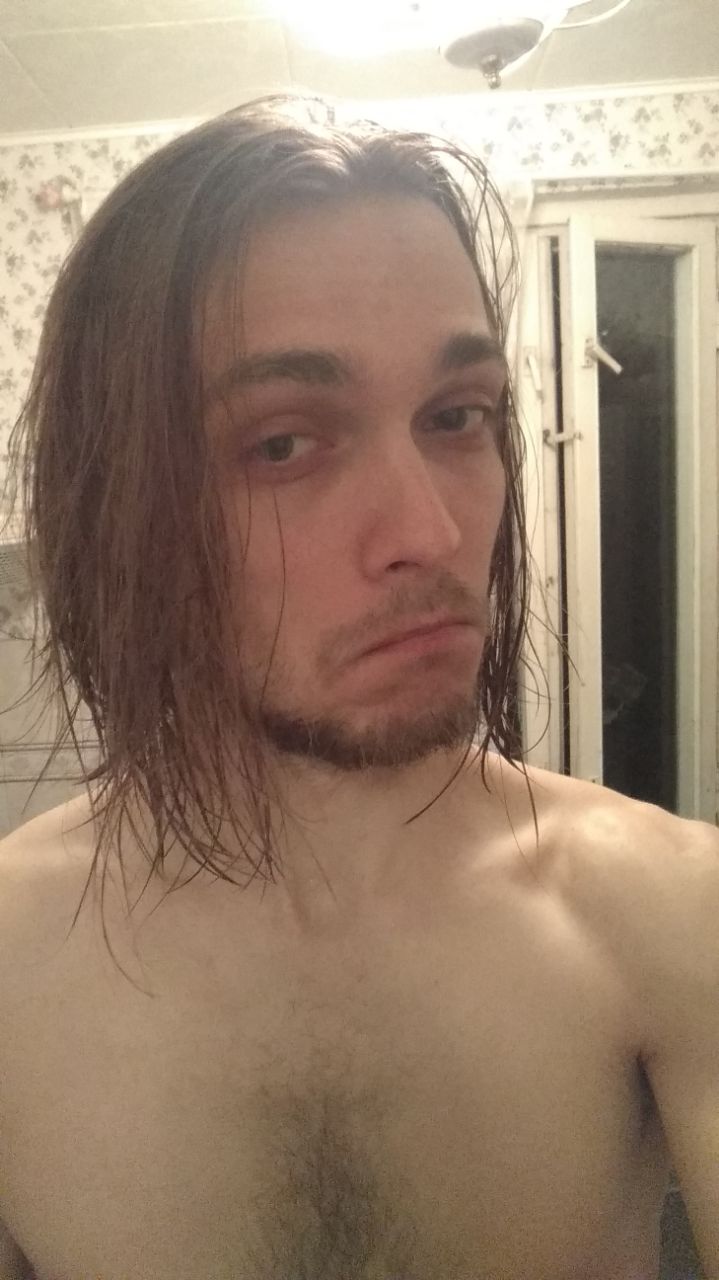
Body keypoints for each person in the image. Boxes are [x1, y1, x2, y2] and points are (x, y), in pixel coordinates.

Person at [0, 92, 716, 1280]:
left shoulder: (664, 908)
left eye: (456, 415)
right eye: (283, 442)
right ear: (110, 505)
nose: (431, 532)